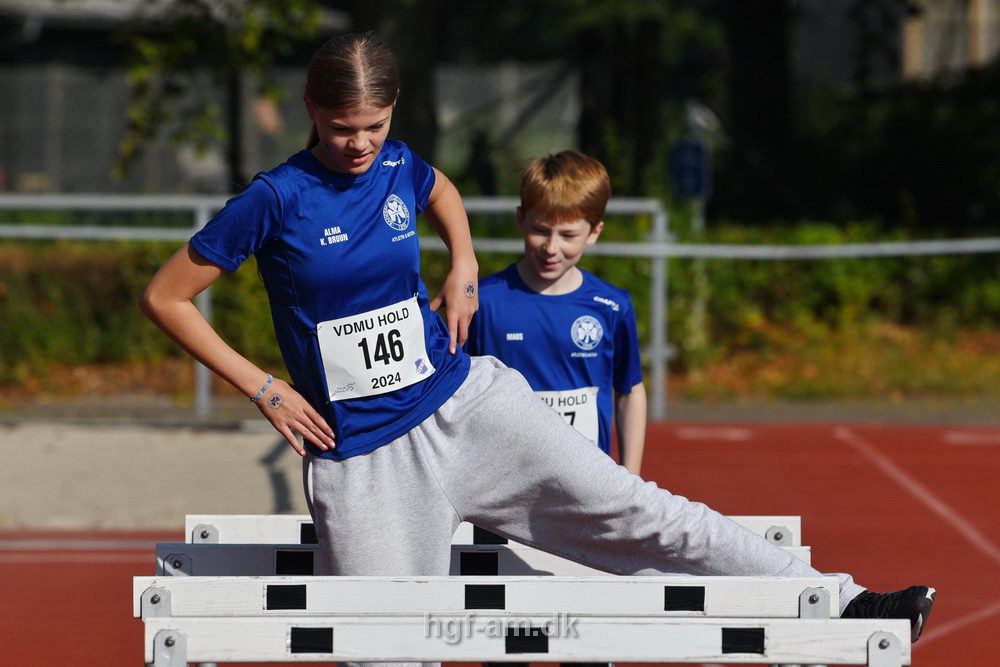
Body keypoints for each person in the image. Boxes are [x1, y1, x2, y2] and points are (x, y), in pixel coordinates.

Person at [139, 32, 936, 665]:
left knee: (640, 509)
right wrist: (265, 387)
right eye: (343, 129)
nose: (359, 145)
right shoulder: (274, 199)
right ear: (311, 110)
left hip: (466, 405)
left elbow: (440, 190)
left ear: (393, 112)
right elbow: (166, 297)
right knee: (386, 650)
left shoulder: (398, 163)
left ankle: (843, 597)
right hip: (366, 457)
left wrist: (463, 264)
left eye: (375, 127)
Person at [466, 150, 646, 475]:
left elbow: (629, 391)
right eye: (541, 230)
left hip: (586, 480)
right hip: (503, 483)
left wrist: (631, 476)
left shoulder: (612, 306)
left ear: (594, 232)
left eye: (568, 235)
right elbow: (457, 392)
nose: (551, 248)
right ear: (521, 220)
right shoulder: (483, 301)